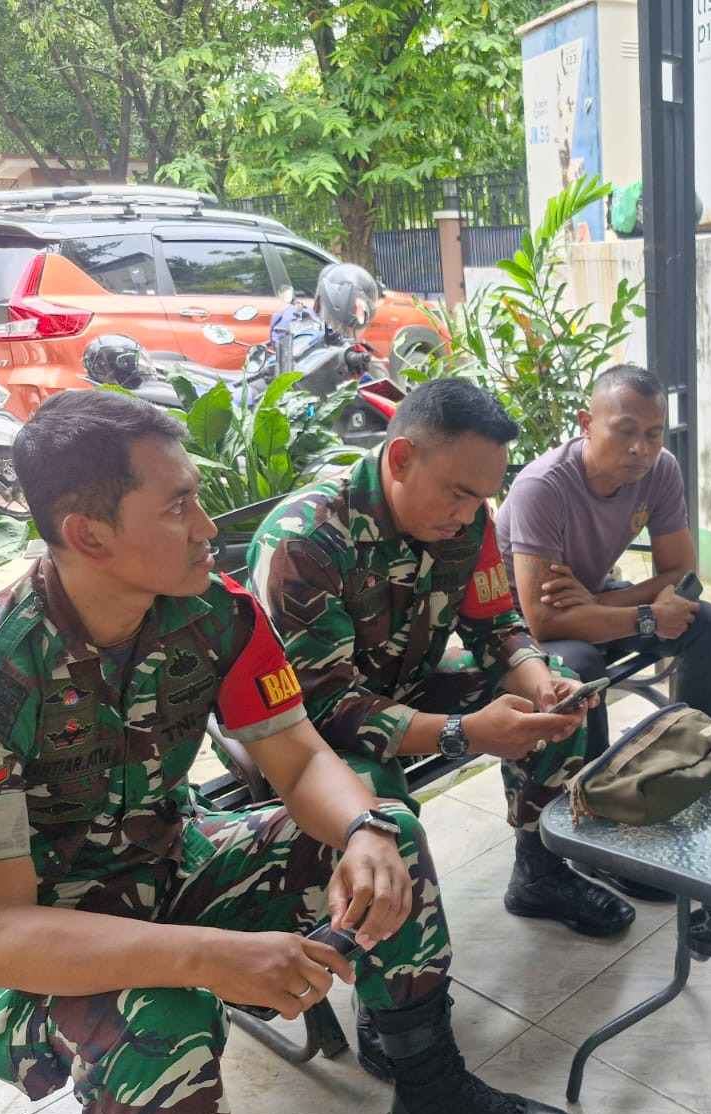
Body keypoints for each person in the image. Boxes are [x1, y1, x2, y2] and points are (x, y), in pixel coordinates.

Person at [0, 390, 573, 1114]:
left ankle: (429, 1095)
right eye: (178, 506)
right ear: (88, 534)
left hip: (161, 857)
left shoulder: (213, 612)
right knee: (160, 1025)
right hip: (10, 942)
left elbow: (296, 755)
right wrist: (212, 959)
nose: (209, 526)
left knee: (389, 838)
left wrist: (361, 828)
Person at [245, 382, 635, 974]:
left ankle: (542, 872)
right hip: (309, 735)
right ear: (401, 458)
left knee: (560, 682)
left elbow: (495, 619)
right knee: (379, 804)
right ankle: (395, 997)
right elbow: (325, 708)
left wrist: (533, 677)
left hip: (408, 682)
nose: (469, 514)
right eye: (459, 493)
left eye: (481, 497)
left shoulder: (467, 519)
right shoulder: (307, 541)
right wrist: (465, 732)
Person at [497, 363, 711, 761]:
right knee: (579, 664)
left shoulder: (661, 470)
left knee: (708, 624)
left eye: (653, 434)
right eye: (625, 431)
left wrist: (595, 603)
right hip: (517, 624)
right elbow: (544, 619)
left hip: (589, 600)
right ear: (586, 423)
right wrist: (648, 616)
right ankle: (592, 795)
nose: (640, 448)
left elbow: (680, 574)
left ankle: (693, 760)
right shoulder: (543, 488)